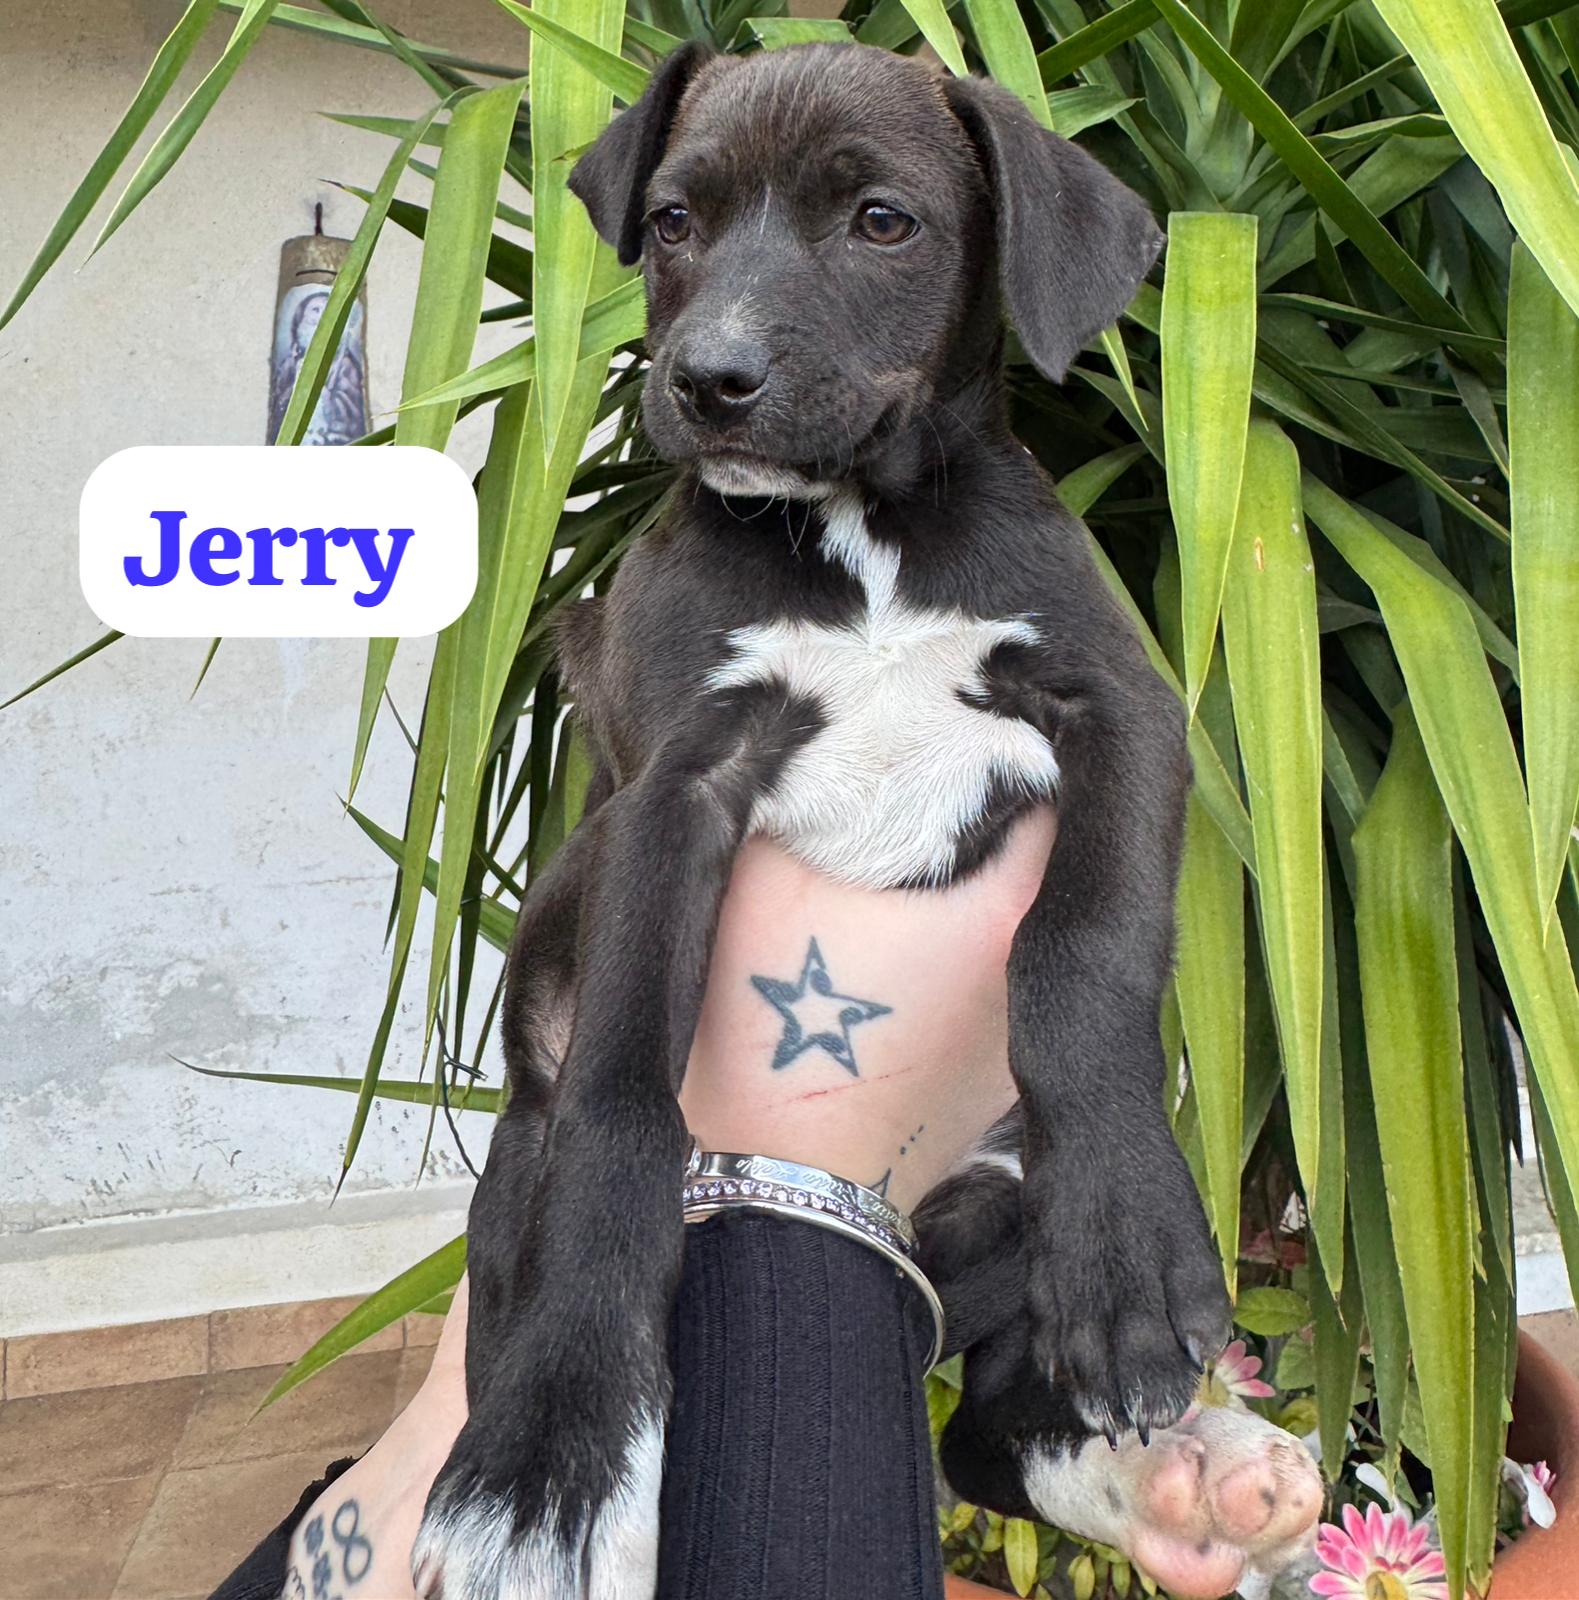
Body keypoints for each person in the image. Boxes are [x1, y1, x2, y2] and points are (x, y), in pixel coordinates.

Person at [212, 808, 1317, 1600]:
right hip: (686, 1284)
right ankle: (439, 1455)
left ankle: (419, 1474)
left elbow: (993, 1421)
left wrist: (1117, 1467)